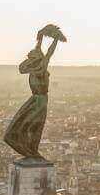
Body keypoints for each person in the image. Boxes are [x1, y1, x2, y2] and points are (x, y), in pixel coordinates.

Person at [4, 25, 63, 158]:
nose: (29, 60)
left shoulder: (41, 67)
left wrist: (55, 40)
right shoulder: (34, 65)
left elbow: (49, 53)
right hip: (34, 99)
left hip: (40, 100)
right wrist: (40, 37)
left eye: (32, 58)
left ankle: (32, 150)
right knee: (18, 126)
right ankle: (30, 150)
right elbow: (39, 49)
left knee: (31, 125)